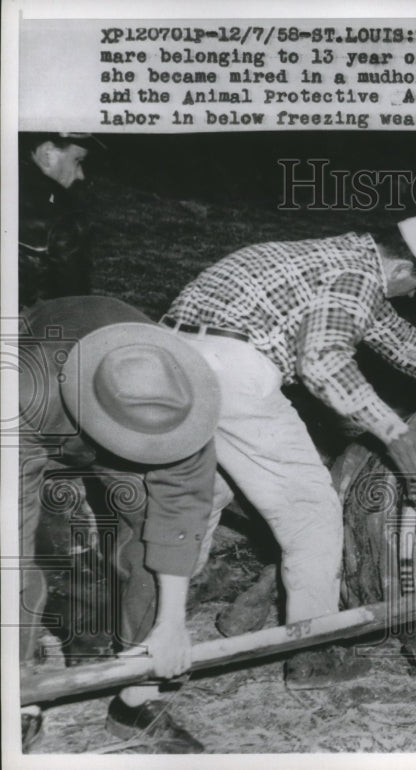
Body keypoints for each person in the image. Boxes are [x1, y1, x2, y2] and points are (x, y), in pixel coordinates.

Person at [164, 215, 416, 688]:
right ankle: (314, 656)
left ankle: (165, 616)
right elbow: (321, 361)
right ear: (403, 269)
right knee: (314, 514)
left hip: (170, 355)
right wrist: (393, 431)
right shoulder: (358, 277)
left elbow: (402, 343)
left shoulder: (331, 258)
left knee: (199, 495)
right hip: (235, 370)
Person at [19, 296, 221, 752]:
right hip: (40, 410)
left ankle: (137, 694)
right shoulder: (21, 393)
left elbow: (178, 521)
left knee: (151, 531)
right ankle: (19, 699)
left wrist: (170, 626)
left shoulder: (181, 405)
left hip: (106, 401)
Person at [19, 132, 100, 308]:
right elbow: (74, 305)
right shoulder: (64, 214)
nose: (80, 175)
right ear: (47, 154)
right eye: (77, 161)